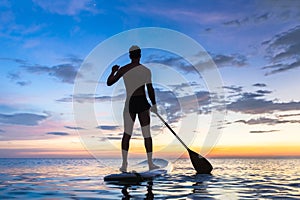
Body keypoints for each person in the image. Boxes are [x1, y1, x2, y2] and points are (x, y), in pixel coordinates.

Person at [107, 45, 159, 172]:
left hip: (130, 103)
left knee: (127, 134)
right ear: (140, 55)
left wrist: (113, 71)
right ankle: (150, 164)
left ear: (130, 55)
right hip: (142, 102)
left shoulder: (124, 69)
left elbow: (109, 82)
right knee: (147, 134)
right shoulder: (146, 70)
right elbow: (150, 89)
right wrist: (154, 104)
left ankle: (124, 165)